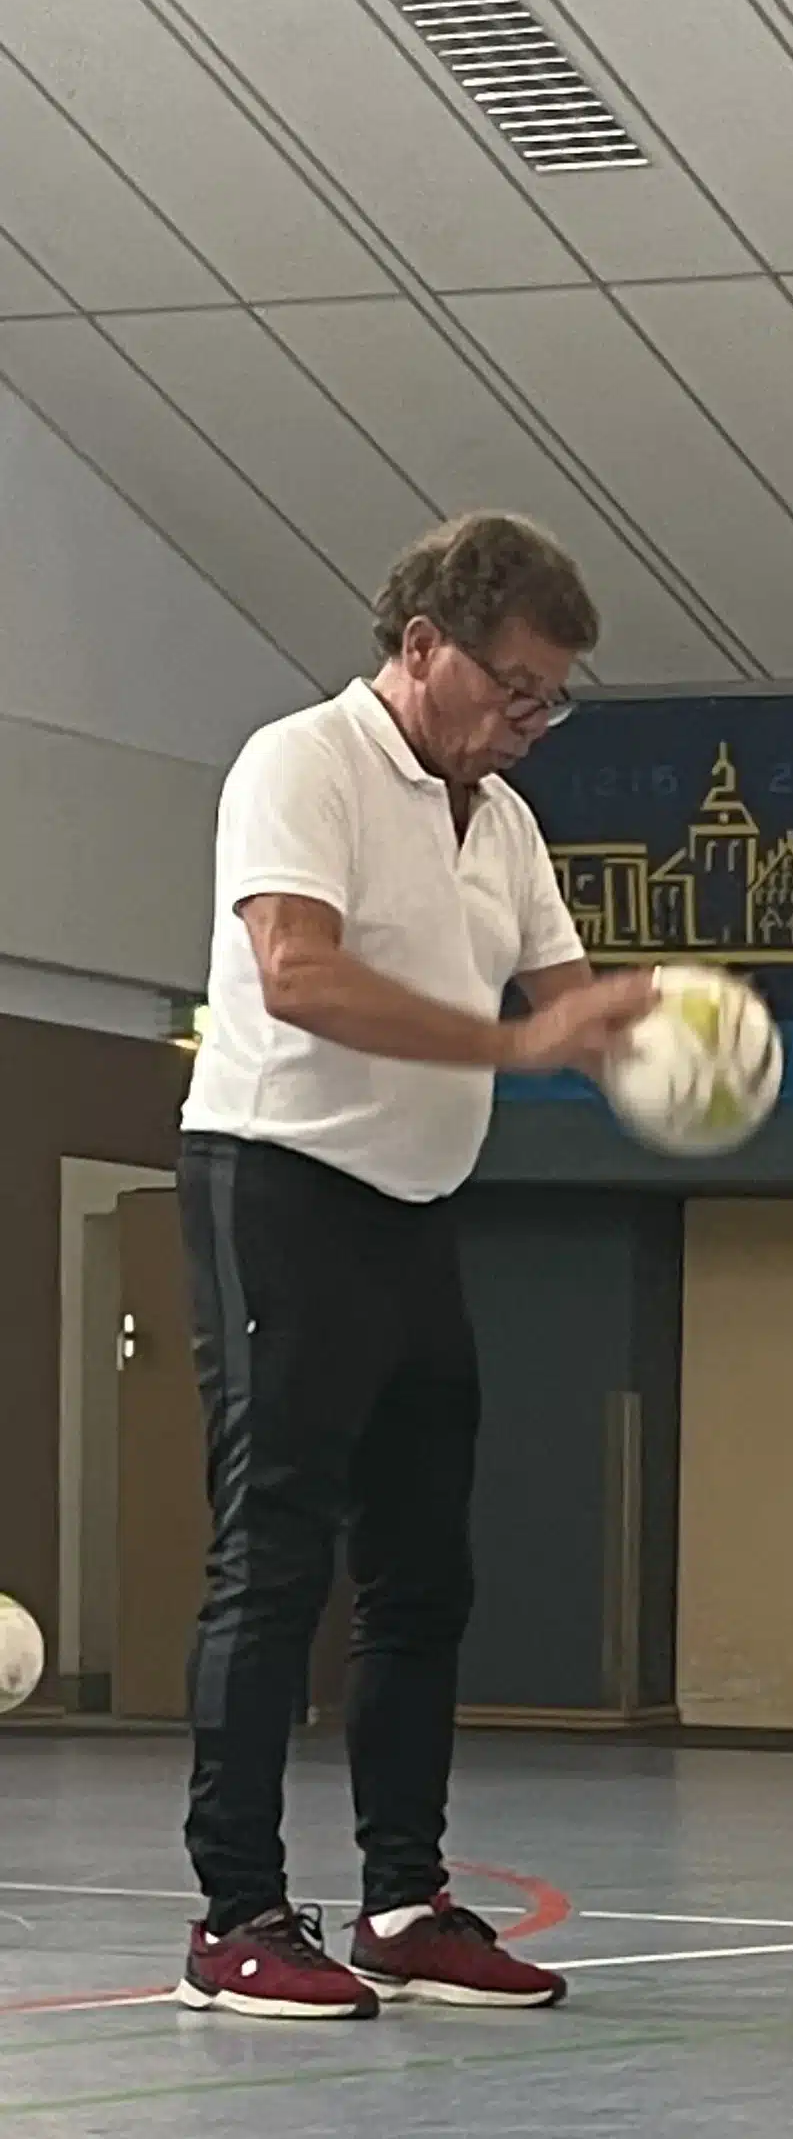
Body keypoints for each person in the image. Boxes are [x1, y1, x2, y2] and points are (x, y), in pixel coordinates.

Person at [172, 511, 654, 2020]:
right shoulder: (300, 762)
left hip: (414, 1210)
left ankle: (403, 1902)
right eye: (514, 688)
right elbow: (297, 972)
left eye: (551, 702)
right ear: (424, 644)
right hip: (275, 1186)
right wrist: (514, 1045)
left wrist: (660, 1039)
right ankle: (235, 1919)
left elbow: (567, 998)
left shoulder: (502, 824)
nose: (528, 722)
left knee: (423, 1575)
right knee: (272, 1561)